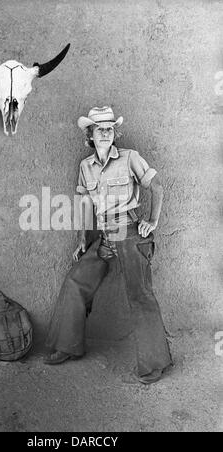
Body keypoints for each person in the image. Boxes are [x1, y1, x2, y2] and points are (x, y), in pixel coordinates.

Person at [44, 106, 172, 384]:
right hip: (102, 236)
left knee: (140, 295)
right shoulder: (85, 167)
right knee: (76, 281)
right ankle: (68, 347)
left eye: (109, 128)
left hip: (128, 231)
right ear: (89, 135)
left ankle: (156, 363)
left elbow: (158, 187)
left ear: (115, 133)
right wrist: (82, 239)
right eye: (98, 128)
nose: (104, 132)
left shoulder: (130, 158)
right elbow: (86, 205)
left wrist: (152, 221)